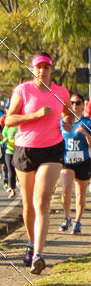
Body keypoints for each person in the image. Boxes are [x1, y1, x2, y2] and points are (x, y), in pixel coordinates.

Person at [5, 53, 71, 274]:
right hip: (25, 150)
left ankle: (38, 255)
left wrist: (68, 121)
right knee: (28, 204)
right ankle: (31, 243)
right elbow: (9, 119)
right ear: (33, 69)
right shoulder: (22, 90)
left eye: (46, 67)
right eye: (38, 67)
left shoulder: (61, 92)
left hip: (52, 149)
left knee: (42, 201)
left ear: (51, 69)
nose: (42, 71)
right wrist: (34, 115)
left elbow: (67, 114)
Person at [58, 92, 91, 235]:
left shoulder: (88, 123)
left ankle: (77, 221)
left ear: (83, 105)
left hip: (83, 161)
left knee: (80, 194)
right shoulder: (63, 122)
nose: (75, 105)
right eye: (71, 102)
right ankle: (66, 217)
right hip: (67, 161)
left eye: (78, 102)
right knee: (66, 190)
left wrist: (85, 134)